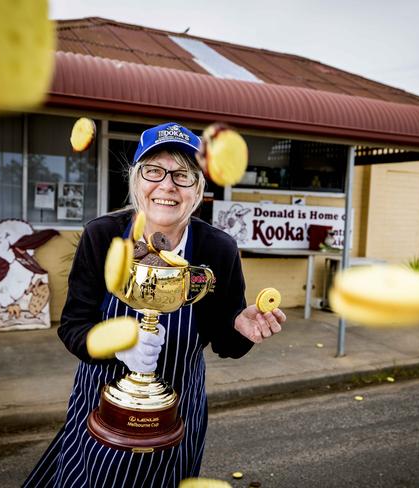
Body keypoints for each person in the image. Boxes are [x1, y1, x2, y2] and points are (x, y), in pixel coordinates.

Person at [24, 122, 286, 487]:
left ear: (198, 189)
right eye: (154, 170)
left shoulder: (216, 249)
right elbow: (73, 327)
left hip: (176, 414)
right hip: (101, 406)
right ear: (135, 179)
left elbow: (225, 341)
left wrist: (242, 326)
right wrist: (119, 345)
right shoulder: (103, 236)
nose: (167, 185)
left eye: (183, 174)